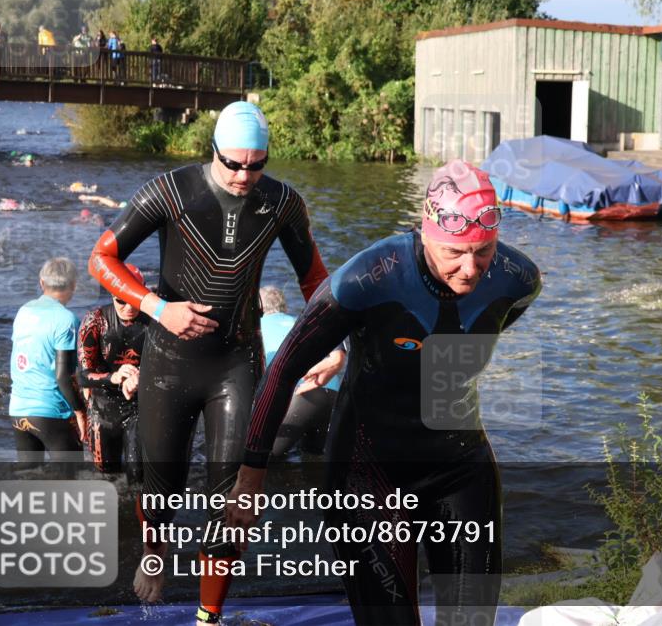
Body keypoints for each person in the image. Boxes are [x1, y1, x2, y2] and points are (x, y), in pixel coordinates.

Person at [227, 160, 542, 626]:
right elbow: (284, 369)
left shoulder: (518, 277)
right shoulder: (367, 279)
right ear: (427, 231)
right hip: (368, 472)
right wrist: (250, 479)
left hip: (458, 466)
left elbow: (495, 317)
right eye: (455, 252)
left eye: (484, 250)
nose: (471, 268)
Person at [88, 101, 344, 625]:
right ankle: (154, 556)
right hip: (169, 360)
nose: (245, 175)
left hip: (236, 361)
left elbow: (315, 279)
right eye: (233, 163)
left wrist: (336, 342)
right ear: (213, 153)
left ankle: (210, 616)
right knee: (162, 487)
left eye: (257, 164)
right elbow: (101, 258)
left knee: (235, 498)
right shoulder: (171, 191)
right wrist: (158, 307)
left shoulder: (282, 203)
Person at [9, 257, 87, 467]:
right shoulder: (66, 320)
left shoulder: (23, 311)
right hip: (51, 411)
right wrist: (80, 411)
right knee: (72, 482)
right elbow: (63, 376)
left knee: (28, 479)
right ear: (73, 285)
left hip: (18, 409)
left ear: (42, 283)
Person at [78, 264, 148, 484]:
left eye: (134, 300)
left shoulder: (154, 321)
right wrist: (113, 377)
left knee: (137, 477)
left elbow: (172, 369)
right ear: (111, 295)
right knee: (105, 477)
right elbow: (82, 375)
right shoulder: (96, 321)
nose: (128, 307)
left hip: (139, 406)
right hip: (102, 408)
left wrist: (141, 377)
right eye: (121, 300)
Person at [259, 286, 340, 457]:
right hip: (332, 393)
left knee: (262, 458)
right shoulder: (302, 321)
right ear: (285, 308)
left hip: (301, 394)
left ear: (259, 309)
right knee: (313, 458)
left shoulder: (258, 327)